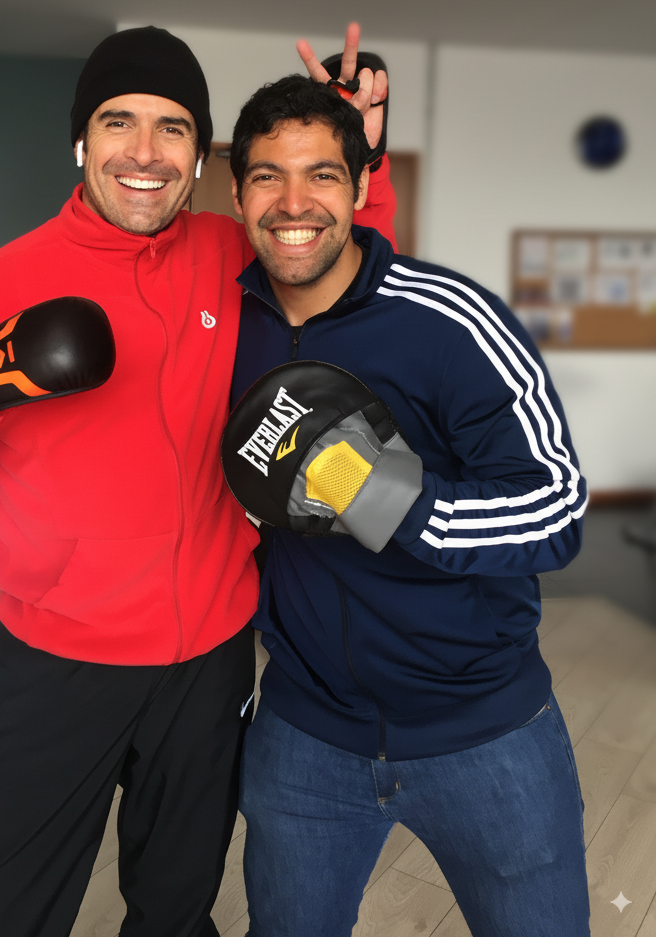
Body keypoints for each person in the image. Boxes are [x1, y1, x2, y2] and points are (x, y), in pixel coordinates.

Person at [0, 24, 396, 937]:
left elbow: (339, 268)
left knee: (175, 911)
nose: (144, 151)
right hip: (59, 664)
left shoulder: (226, 252)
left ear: (200, 153)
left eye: (172, 128)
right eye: (118, 122)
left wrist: (355, 151)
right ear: (82, 141)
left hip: (208, 663)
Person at [224, 73, 590, 937]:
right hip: (304, 730)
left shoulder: (450, 319)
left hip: (487, 732)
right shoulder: (224, 320)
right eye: (268, 175)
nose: (293, 201)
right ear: (236, 193)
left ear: (358, 187)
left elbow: (558, 507)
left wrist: (380, 494)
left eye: (321, 173)